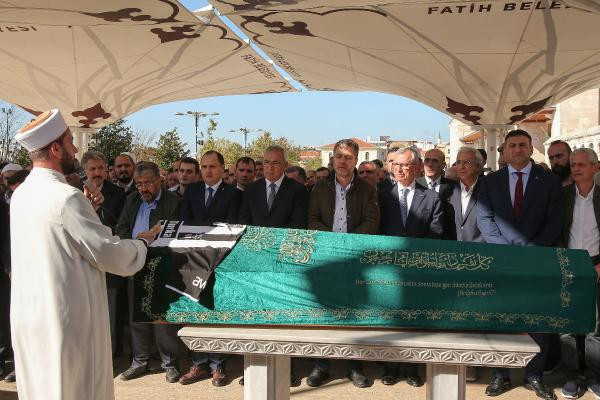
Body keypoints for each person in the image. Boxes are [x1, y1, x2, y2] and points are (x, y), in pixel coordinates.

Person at [10, 109, 158, 400]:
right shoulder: (66, 197)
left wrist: (87, 212)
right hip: (65, 321)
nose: (76, 149)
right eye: (69, 142)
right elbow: (106, 252)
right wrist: (141, 243)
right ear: (55, 149)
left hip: (31, 317)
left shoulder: (21, 194)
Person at [478, 129, 563, 400]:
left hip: (536, 261)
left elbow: (555, 221)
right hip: (501, 261)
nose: (517, 149)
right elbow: (485, 219)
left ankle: (534, 375)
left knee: (538, 320)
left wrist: (531, 251)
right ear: (504, 150)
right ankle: (500, 375)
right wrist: (505, 251)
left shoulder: (548, 181)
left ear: (530, 148)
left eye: (522, 145)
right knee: (498, 318)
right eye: (512, 145)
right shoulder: (490, 181)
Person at [307, 139, 379, 388]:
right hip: (326, 259)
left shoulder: (367, 189)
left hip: (354, 259)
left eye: (348, 157)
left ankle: (353, 366)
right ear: (333, 158)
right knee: (323, 312)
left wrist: (347, 245)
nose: (343, 161)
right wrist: (331, 244)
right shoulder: (319, 187)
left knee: (353, 313)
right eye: (339, 156)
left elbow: (371, 222)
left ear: (356, 160)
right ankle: (321, 366)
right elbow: (313, 218)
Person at [238, 145, 308, 386]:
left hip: (283, 262)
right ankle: (254, 368)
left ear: (285, 165)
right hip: (256, 262)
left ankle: (287, 369)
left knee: (283, 319)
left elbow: (298, 225)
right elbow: (243, 223)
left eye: (275, 162)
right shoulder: (251, 190)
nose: (269, 167)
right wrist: (257, 250)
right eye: (266, 162)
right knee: (256, 317)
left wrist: (272, 248)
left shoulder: (297, 190)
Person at [378, 147, 443, 387]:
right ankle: (390, 366)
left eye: (404, 165)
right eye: (396, 165)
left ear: (415, 168)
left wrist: (416, 257)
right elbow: (377, 229)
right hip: (389, 268)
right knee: (391, 319)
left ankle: (412, 368)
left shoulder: (432, 197)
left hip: (418, 268)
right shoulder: (382, 195)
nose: (399, 169)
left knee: (415, 320)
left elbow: (436, 231)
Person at [116, 162, 183, 384]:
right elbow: (121, 229)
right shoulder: (131, 200)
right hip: (136, 263)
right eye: (139, 184)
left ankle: (169, 364)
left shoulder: (174, 202)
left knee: (162, 319)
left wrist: (152, 241)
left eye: (147, 183)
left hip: (162, 265)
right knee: (137, 317)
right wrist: (137, 243)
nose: (143, 188)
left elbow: (175, 234)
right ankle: (140, 361)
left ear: (159, 181)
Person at [178, 150, 241, 387]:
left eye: (212, 166)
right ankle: (198, 363)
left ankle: (218, 365)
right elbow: (184, 221)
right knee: (196, 312)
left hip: (220, 261)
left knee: (215, 314)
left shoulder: (234, 194)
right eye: (204, 167)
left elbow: (232, 226)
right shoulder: (192, 191)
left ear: (222, 168)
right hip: (194, 260)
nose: (207, 171)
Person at [558, 148, 600, 399]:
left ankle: (595, 376)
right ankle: (572, 376)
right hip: (569, 265)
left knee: (595, 326)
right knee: (567, 326)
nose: (575, 169)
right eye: (573, 164)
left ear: (595, 167)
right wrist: (563, 261)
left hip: (596, 266)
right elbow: (556, 232)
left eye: (581, 165)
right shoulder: (563, 197)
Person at [82, 150, 128, 358]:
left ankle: (111, 353)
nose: (97, 173)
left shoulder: (118, 194)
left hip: (109, 256)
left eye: (101, 168)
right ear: (85, 171)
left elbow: (120, 225)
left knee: (112, 307)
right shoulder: (74, 193)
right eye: (93, 169)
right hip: (84, 259)